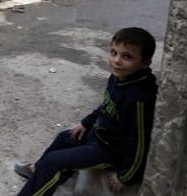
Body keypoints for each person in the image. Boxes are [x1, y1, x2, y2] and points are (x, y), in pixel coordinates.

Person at [14, 27, 158, 196]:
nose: (117, 61)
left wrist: (126, 176)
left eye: (127, 57)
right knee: (65, 137)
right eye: (113, 52)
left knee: (53, 163)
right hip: (99, 136)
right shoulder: (119, 77)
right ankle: (37, 171)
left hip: (110, 152)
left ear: (145, 62)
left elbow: (139, 142)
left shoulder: (140, 98)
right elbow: (106, 105)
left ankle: (41, 175)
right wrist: (86, 122)